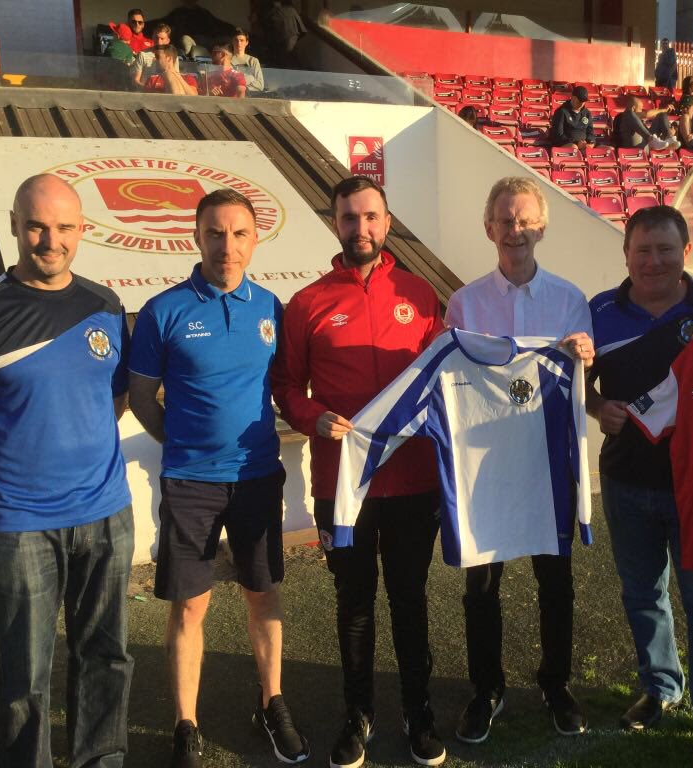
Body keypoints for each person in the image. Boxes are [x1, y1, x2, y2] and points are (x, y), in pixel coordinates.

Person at [0, 174, 135, 767]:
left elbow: (114, 396)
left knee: (107, 655)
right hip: (15, 525)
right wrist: (2, 475)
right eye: (38, 226)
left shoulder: (104, 304)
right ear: (16, 224)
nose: (51, 239)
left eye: (65, 228)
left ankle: (102, 760)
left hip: (105, 515)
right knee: (26, 674)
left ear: (82, 231)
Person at [128, 188, 310, 767]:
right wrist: (184, 444)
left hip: (258, 476)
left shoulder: (270, 308)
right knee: (188, 607)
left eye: (238, 234)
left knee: (263, 594)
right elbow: (140, 399)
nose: (226, 246)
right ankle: (187, 723)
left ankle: (272, 703)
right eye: (214, 233)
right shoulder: (164, 310)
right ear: (196, 236)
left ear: (254, 240)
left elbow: (283, 385)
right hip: (190, 483)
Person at [271, 176, 446, 768]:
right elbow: (286, 386)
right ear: (336, 224)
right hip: (342, 484)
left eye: (370, 217)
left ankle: (418, 711)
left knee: (409, 598)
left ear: (387, 221)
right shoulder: (308, 303)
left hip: (412, 478)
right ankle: (358, 714)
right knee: (353, 601)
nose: (361, 228)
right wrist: (313, 416)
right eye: (350, 218)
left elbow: (444, 379)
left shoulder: (421, 295)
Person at [586, 205, 693, 768]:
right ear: (625, 254)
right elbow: (582, 390)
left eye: (665, 249)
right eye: (642, 250)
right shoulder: (600, 311)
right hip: (626, 479)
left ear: (686, 253)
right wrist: (596, 407)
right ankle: (660, 686)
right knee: (642, 594)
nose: (653, 261)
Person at [445, 175, 595, 744]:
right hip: (485, 467)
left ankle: (555, 685)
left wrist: (586, 357)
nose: (515, 230)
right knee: (481, 586)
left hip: (550, 465)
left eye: (524, 220)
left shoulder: (570, 299)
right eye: (505, 220)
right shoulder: (465, 301)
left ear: (542, 227)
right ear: (489, 229)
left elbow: (587, 382)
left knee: (555, 583)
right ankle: (487, 689)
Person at [156, 0, 235, 58]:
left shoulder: (203, 12)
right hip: (190, 40)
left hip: (205, 41)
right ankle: (188, 62)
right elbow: (163, 22)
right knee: (185, 39)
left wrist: (234, 29)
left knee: (228, 39)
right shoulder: (178, 13)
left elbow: (218, 23)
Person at [614, 96, 679, 151]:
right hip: (630, 147)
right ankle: (651, 139)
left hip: (646, 144)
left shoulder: (638, 121)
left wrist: (668, 133)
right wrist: (663, 109)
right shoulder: (623, 116)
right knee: (629, 114)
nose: (641, 111)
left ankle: (669, 138)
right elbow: (646, 114)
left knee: (662, 115)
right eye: (640, 109)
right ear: (633, 108)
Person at [550, 85, 595, 152]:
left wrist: (590, 142)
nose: (582, 104)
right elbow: (558, 135)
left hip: (584, 144)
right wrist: (576, 143)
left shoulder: (587, 113)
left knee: (607, 149)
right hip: (565, 143)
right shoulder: (561, 112)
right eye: (580, 101)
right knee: (573, 148)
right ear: (573, 98)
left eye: (583, 101)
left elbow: (590, 132)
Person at [263, 0, 307, 69]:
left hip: (287, 32)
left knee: (287, 57)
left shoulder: (279, 11)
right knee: (287, 57)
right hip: (289, 32)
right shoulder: (289, 10)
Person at [132, 22, 176, 88]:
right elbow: (135, 81)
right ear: (152, 37)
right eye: (156, 37)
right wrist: (149, 90)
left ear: (168, 40)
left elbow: (176, 79)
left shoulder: (172, 56)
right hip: (146, 94)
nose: (159, 42)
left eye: (162, 39)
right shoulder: (143, 55)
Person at [230, 28, 266, 93]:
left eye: (242, 40)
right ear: (232, 41)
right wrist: (250, 79)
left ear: (246, 42)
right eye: (236, 40)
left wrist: (244, 89)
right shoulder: (227, 59)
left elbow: (260, 85)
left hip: (249, 98)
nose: (239, 43)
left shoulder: (253, 61)